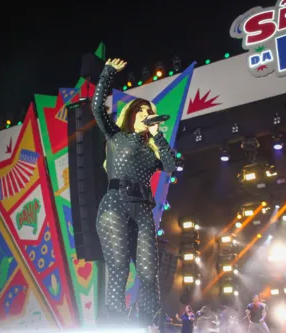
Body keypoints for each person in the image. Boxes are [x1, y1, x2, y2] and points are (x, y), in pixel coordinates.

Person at [91, 58, 177, 329]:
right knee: (119, 267)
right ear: (131, 115)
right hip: (115, 203)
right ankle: (116, 324)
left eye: (149, 111)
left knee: (149, 275)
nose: (145, 114)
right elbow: (96, 108)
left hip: (142, 208)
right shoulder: (116, 136)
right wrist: (107, 74)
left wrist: (158, 135)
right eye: (140, 111)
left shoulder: (153, 148)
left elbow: (171, 166)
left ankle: (150, 325)